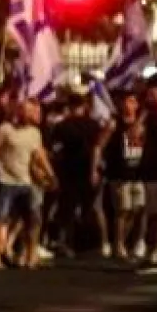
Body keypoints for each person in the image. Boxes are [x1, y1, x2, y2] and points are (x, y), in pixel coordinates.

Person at [0, 98, 51, 269]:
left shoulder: (35, 133)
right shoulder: (5, 129)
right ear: (20, 112)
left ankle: (30, 255)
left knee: (32, 219)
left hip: (27, 181)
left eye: (36, 111)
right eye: (30, 111)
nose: (34, 115)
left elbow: (39, 156)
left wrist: (50, 175)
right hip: (5, 180)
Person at [47, 93, 103, 257]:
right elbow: (97, 148)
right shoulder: (93, 125)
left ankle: (66, 243)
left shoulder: (63, 126)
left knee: (67, 209)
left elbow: (55, 149)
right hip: (86, 169)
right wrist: (94, 170)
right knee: (88, 208)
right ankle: (89, 244)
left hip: (69, 171)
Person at [100, 93, 146, 261]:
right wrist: (99, 166)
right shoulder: (115, 124)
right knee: (122, 210)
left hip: (138, 173)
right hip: (119, 174)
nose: (128, 105)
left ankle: (121, 241)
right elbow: (100, 145)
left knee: (136, 209)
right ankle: (119, 245)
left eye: (132, 101)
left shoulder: (141, 125)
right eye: (126, 101)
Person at [136, 83, 157, 274]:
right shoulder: (149, 118)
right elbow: (134, 137)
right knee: (154, 214)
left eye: (153, 94)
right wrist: (142, 117)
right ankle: (151, 254)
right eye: (148, 95)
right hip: (154, 172)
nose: (149, 98)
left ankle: (155, 250)